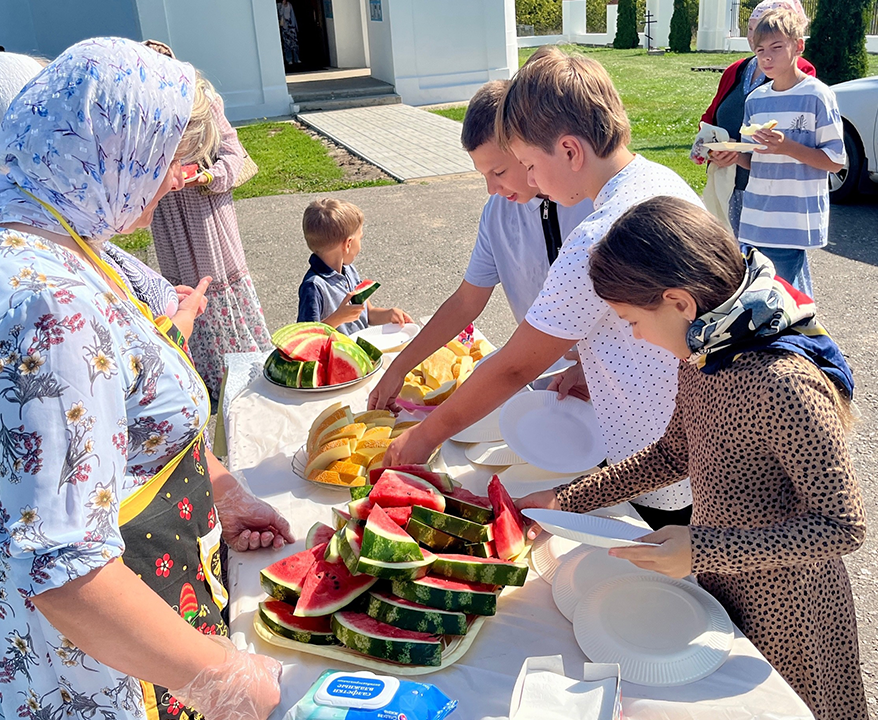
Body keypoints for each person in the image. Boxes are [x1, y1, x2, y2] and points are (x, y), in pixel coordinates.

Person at [0, 37, 292, 720]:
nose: (186, 178)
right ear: (111, 148)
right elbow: (68, 575)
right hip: (103, 665)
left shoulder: (50, 232)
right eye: (176, 160)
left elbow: (123, 417)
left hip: (136, 609)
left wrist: (224, 492)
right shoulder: (43, 306)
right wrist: (236, 685)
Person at [518, 196, 866, 720]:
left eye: (631, 320)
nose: (634, 335)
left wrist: (702, 549)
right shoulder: (702, 355)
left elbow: (844, 527)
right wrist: (566, 499)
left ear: (679, 302)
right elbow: (671, 456)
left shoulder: (782, 384)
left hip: (793, 605)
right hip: (719, 577)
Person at [384, 47, 696, 529]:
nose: (528, 179)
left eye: (528, 164)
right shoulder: (661, 181)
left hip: (659, 461)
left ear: (570, 151)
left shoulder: (597, 237)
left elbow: (513, 368)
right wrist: (594, 371)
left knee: (684, 586)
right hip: (693, 441)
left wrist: (425, 437)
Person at [0, 50, 211, 341]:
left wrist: (149, 296)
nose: (179, 179)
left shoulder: (4, 214)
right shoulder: (45, 296)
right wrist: (176, 332)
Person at [368, 79, 593, 411]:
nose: (491, 188)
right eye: (482, 174)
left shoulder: (593, 202)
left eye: (498, 171)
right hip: (548, 382)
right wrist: (400, 367)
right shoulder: (497, 214)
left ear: (525, 148)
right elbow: (465, 302)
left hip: (613, 380)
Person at [144, 40, 272, 401]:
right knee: (182, 288)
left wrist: (208, 177)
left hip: (206, 211)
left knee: (217, 283)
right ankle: (200, 380)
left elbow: (235, 153)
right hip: (168, 211)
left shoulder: (203, 100)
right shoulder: (148, 112)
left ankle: (243, 375)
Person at [735, 8, 845, 298]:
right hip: (756, 216)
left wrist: (787, 146)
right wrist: (734, 155)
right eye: (760, 50)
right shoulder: (756, 99)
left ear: (798, 46)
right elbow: (755, 159)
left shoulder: (817, 95)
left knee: (777, 298)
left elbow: (835, 161)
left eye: (776, 47)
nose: (767, 57)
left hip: (792, 219)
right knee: (780, 297)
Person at [698, 0, 815, 237]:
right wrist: (711, 150)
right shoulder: (737, 69)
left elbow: (795, 137)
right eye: (751, 29)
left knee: (771, 264)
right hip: (729, 183)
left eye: (762, 29)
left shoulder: (802, 72)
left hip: (769, 191)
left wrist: (741, 155)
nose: (755, 37)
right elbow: (711, 118)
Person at [298, 198, 412, 334]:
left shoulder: (349, 270)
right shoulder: (314, 286)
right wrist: (337, 318)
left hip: (359, 351)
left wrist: (389, 314)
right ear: (348, 244)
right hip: (334, 354)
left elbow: (368, 313)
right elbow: (305, 338)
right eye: (361, 238)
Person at [278, 0, 301, 66]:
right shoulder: (279, 5)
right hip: (284, 27)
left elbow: (292, 15)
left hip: (291, 26)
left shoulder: (289, 5)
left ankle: (297, 58)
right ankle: (289, 59)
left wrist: (295, 26)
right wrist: (282, 6)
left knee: (295, 43)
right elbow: (280, 14)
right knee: (286, 44)